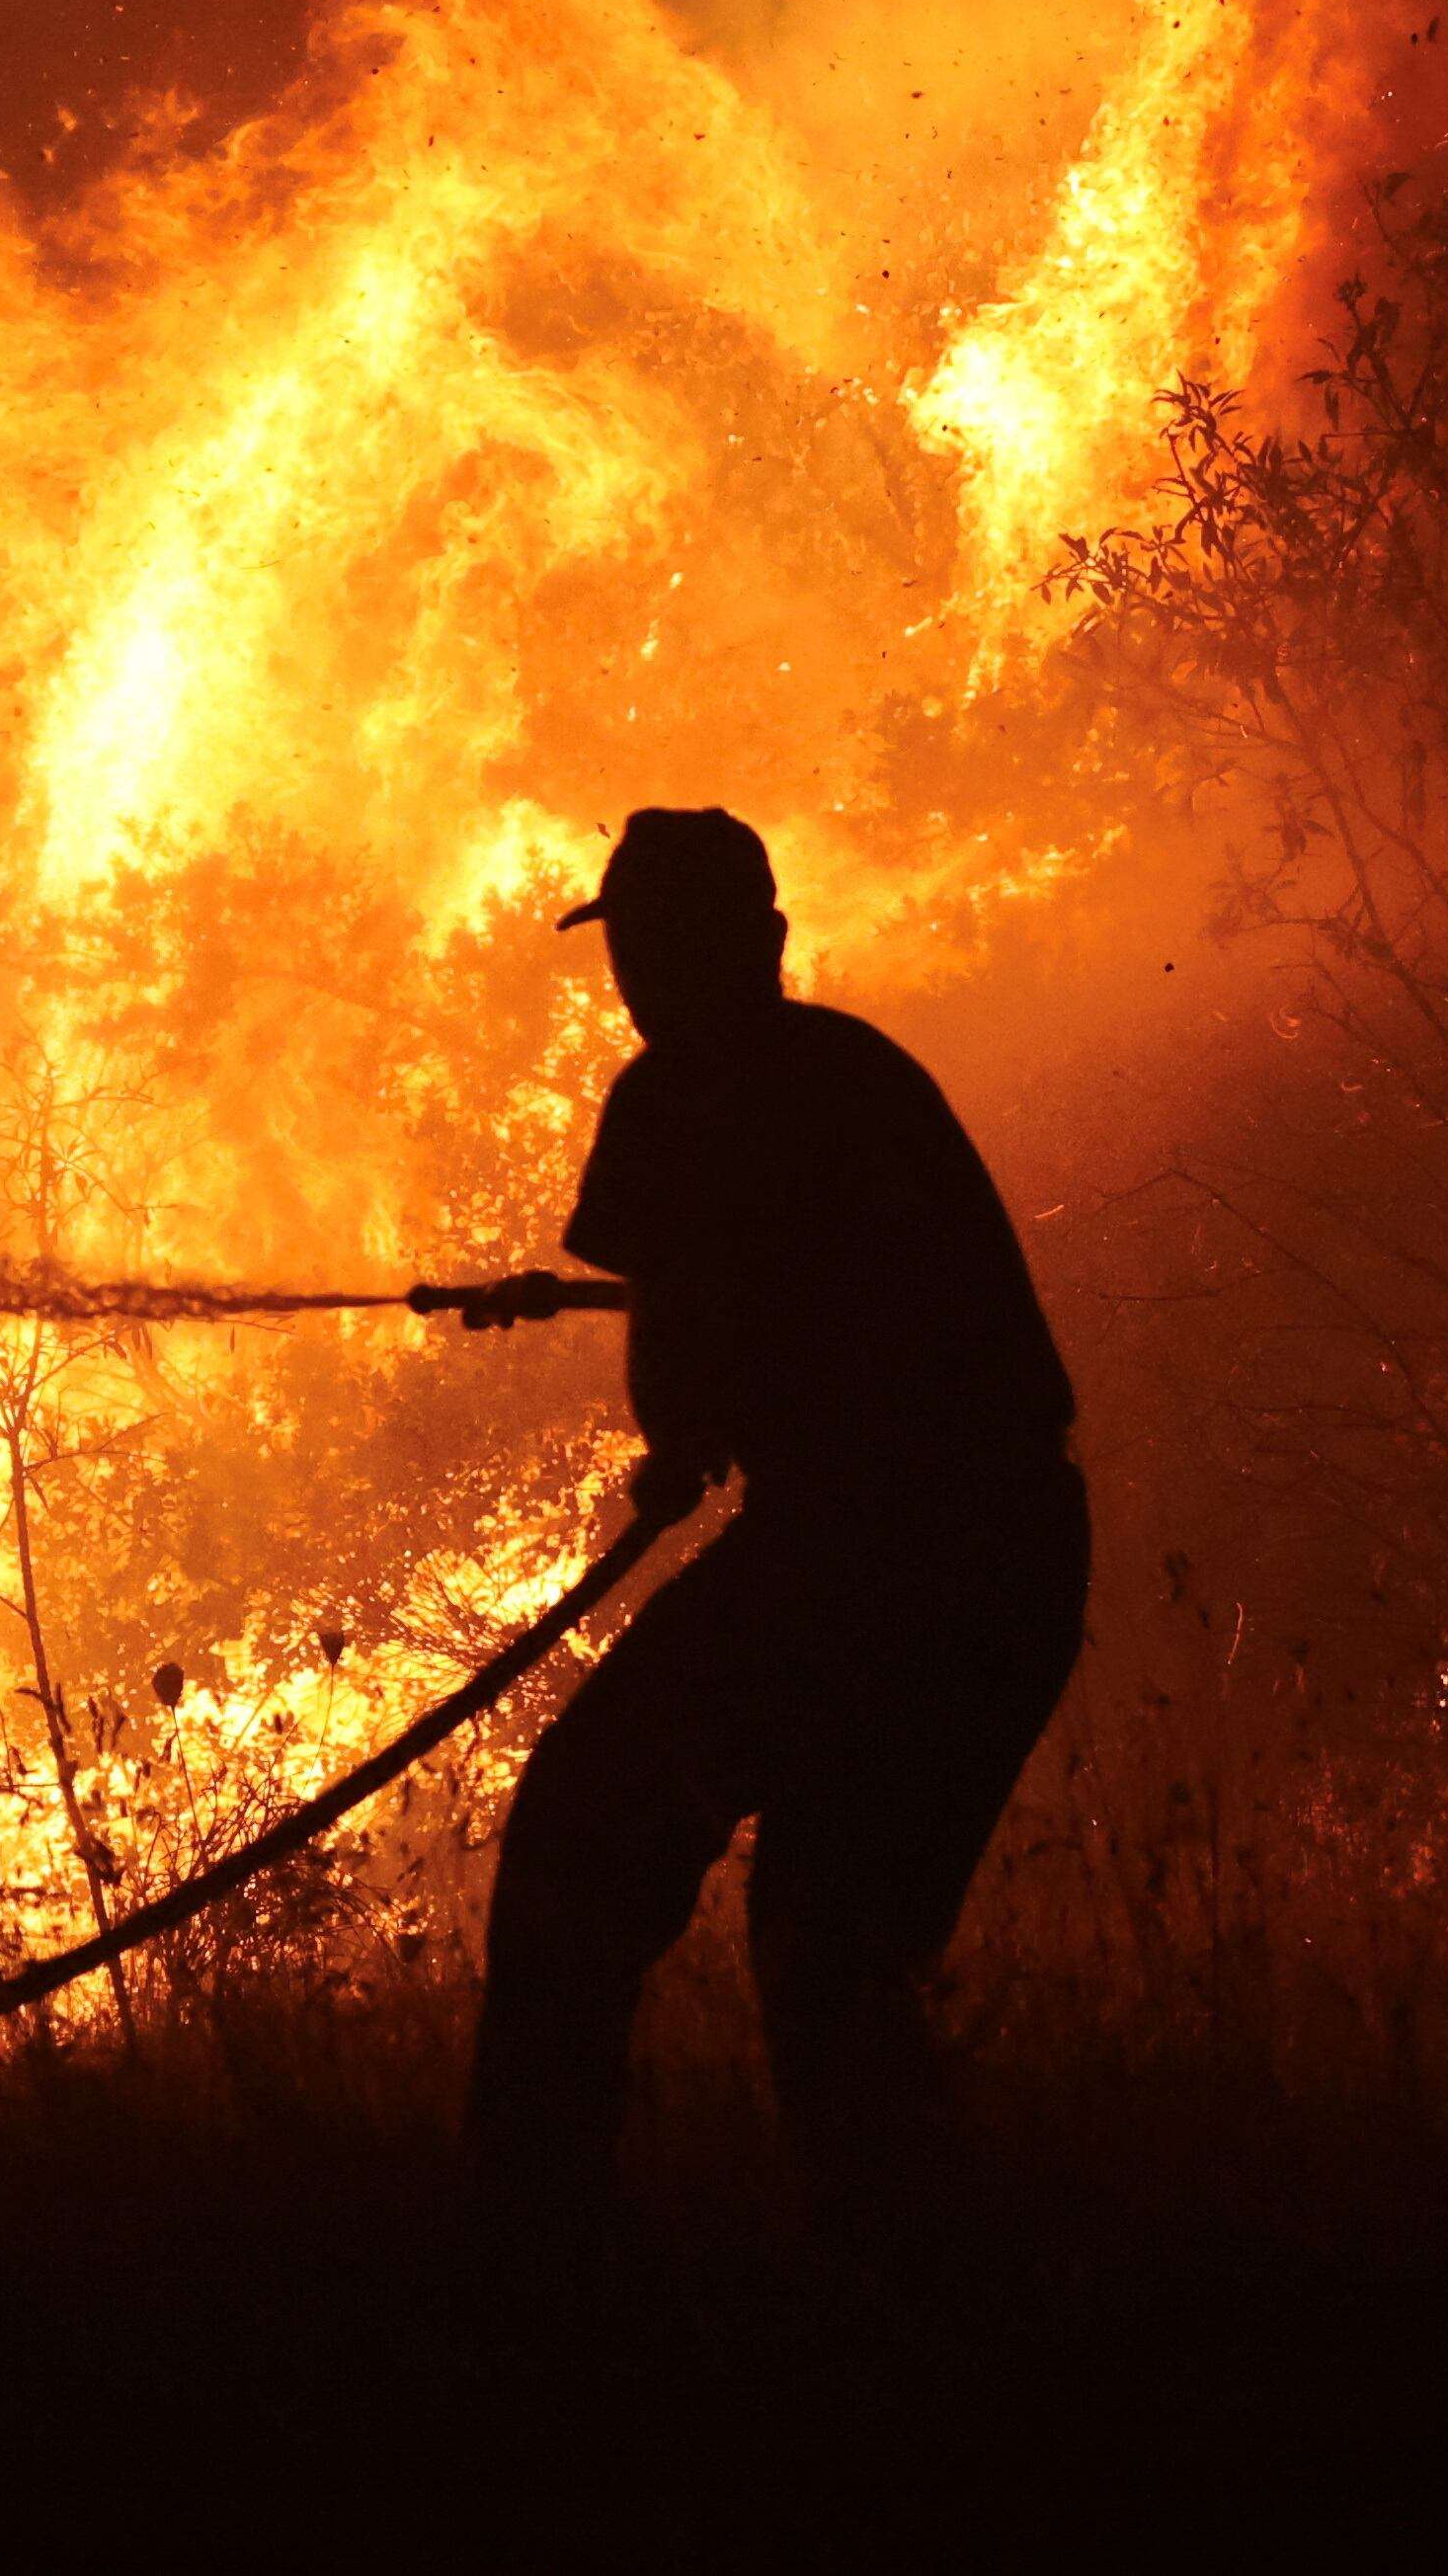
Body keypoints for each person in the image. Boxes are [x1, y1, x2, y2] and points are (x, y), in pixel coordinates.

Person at [459, 806, 1086, 2251]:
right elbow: (838, 1281)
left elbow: (686, 1384)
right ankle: (912, 2296)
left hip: (866, 1554)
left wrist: (677, 1438)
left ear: (701, 947)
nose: (631, 976)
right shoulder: (858, 1066)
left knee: (580, 1840)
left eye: (639, 945)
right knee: (834, 1954)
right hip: (1018, 1549)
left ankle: (520, 2260)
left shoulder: (678, 1092)